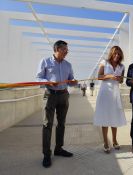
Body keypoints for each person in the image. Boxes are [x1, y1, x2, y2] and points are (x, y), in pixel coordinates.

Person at [36, 40, 77, 168]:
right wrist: (48, 82)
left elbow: (70, 80)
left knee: (61, 124)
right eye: (65, 49)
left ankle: (58, 149)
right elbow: (38, 78)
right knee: (47, 124)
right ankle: (46, 154)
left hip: (64, 95)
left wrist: (73, 82)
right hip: (50, 95)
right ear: (58, 49)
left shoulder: (68, 65)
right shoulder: (45, 61)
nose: (67, 52)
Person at [93, 46, 126, 153]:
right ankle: (106, 142)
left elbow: (121, 81)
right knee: (105, 117)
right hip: (105, 93)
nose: (117, 55)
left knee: (114, 117)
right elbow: (99, 76)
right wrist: (110, 76)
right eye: (115, 53)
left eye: (119, 54)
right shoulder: (104, 62)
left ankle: (115, 140)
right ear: (111, 53)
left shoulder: (122, 66)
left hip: (115, 93)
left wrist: (119, 79)